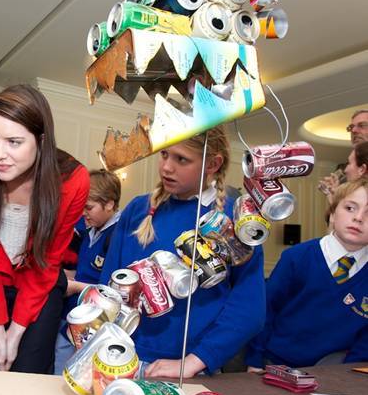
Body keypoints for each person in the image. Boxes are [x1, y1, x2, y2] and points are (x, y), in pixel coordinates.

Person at [0, 84, 89, 381]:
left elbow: (48, 262)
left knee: (28, 376)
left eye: (14, 142)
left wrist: (17, 330)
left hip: (38, 281)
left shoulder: (73, 181)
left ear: (41, 140)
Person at [99, 127, 265, 379]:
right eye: (164, 154)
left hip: (190, 370)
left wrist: (194, 362)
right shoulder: (137, 209)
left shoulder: (237, 219)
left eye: (181, 159)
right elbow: (109, 288)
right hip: (122, 358)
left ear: (212, 163)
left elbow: (248, 309)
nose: (166, 167)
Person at [246, 178, 368, 369]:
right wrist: (255, 361)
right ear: (333, 213)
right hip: (276, 364)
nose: (359, 218)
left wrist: (349, 374)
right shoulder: (297, 257)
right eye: (350, 208)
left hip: (335, 374)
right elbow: (266, 310)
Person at [54, 169, 122, 374]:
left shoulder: (118, 236)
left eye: (89, 207)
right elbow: (81, 273)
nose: (83, 213)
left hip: (96, 329)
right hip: (72, 320)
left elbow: (114, 293)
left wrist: (75, 287)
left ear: (109, 204)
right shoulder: (89, 231)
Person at [319, 110, 368, 200]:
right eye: (351, 127)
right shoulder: (343, 171)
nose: (353, 130)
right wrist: (334, 198)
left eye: (361, 125)